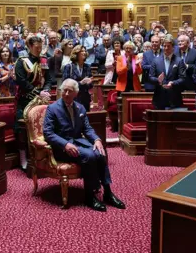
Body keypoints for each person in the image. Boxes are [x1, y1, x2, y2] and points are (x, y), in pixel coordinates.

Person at [43, 79, 125, 212]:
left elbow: (87, 129)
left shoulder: (79, 107)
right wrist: (65, 145)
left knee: (100, 152)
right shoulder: (52, 108)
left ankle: (108, 192)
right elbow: (48, 133)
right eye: (65, 90)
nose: (67, 93)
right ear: (61, 91)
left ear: (76, 93)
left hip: (78, 143)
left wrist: (97, 140)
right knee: (90, 156)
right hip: (61, 148)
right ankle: (90, 196)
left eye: (70, 91)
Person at [15, 36, 52, 169]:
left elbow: (48, 79)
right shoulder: (22, 62)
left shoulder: (43, 60)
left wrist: (46, 89)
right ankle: (24, 158)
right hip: (26, 100)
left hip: (41, 100)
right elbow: (21, 81)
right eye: (37, 47)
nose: (39, 49)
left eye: (41, 47)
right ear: (30, 46)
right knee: (23, 129)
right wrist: (38, 92)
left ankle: (43, 157)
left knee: (44, 128)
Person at [149, 38, 186, 110]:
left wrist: (173, 83)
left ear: (173, 47)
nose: (166, 48)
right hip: (159, 98)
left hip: (174, 97)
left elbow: (183, 78)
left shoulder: (179, 61)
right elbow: (150, 77)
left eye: (168, 46)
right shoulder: (156, 60)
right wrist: (158, 80)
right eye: (164, 46)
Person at [62, 45, 93, 111]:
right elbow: (65, 84)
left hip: (85, 99)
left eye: (85, 51)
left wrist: (89, 83)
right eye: (82, 51)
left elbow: (91, 85)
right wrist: (80, 83)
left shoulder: (87, 67)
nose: (84, 52)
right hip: (72, 99)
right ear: (76, 53)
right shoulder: (69, 67)